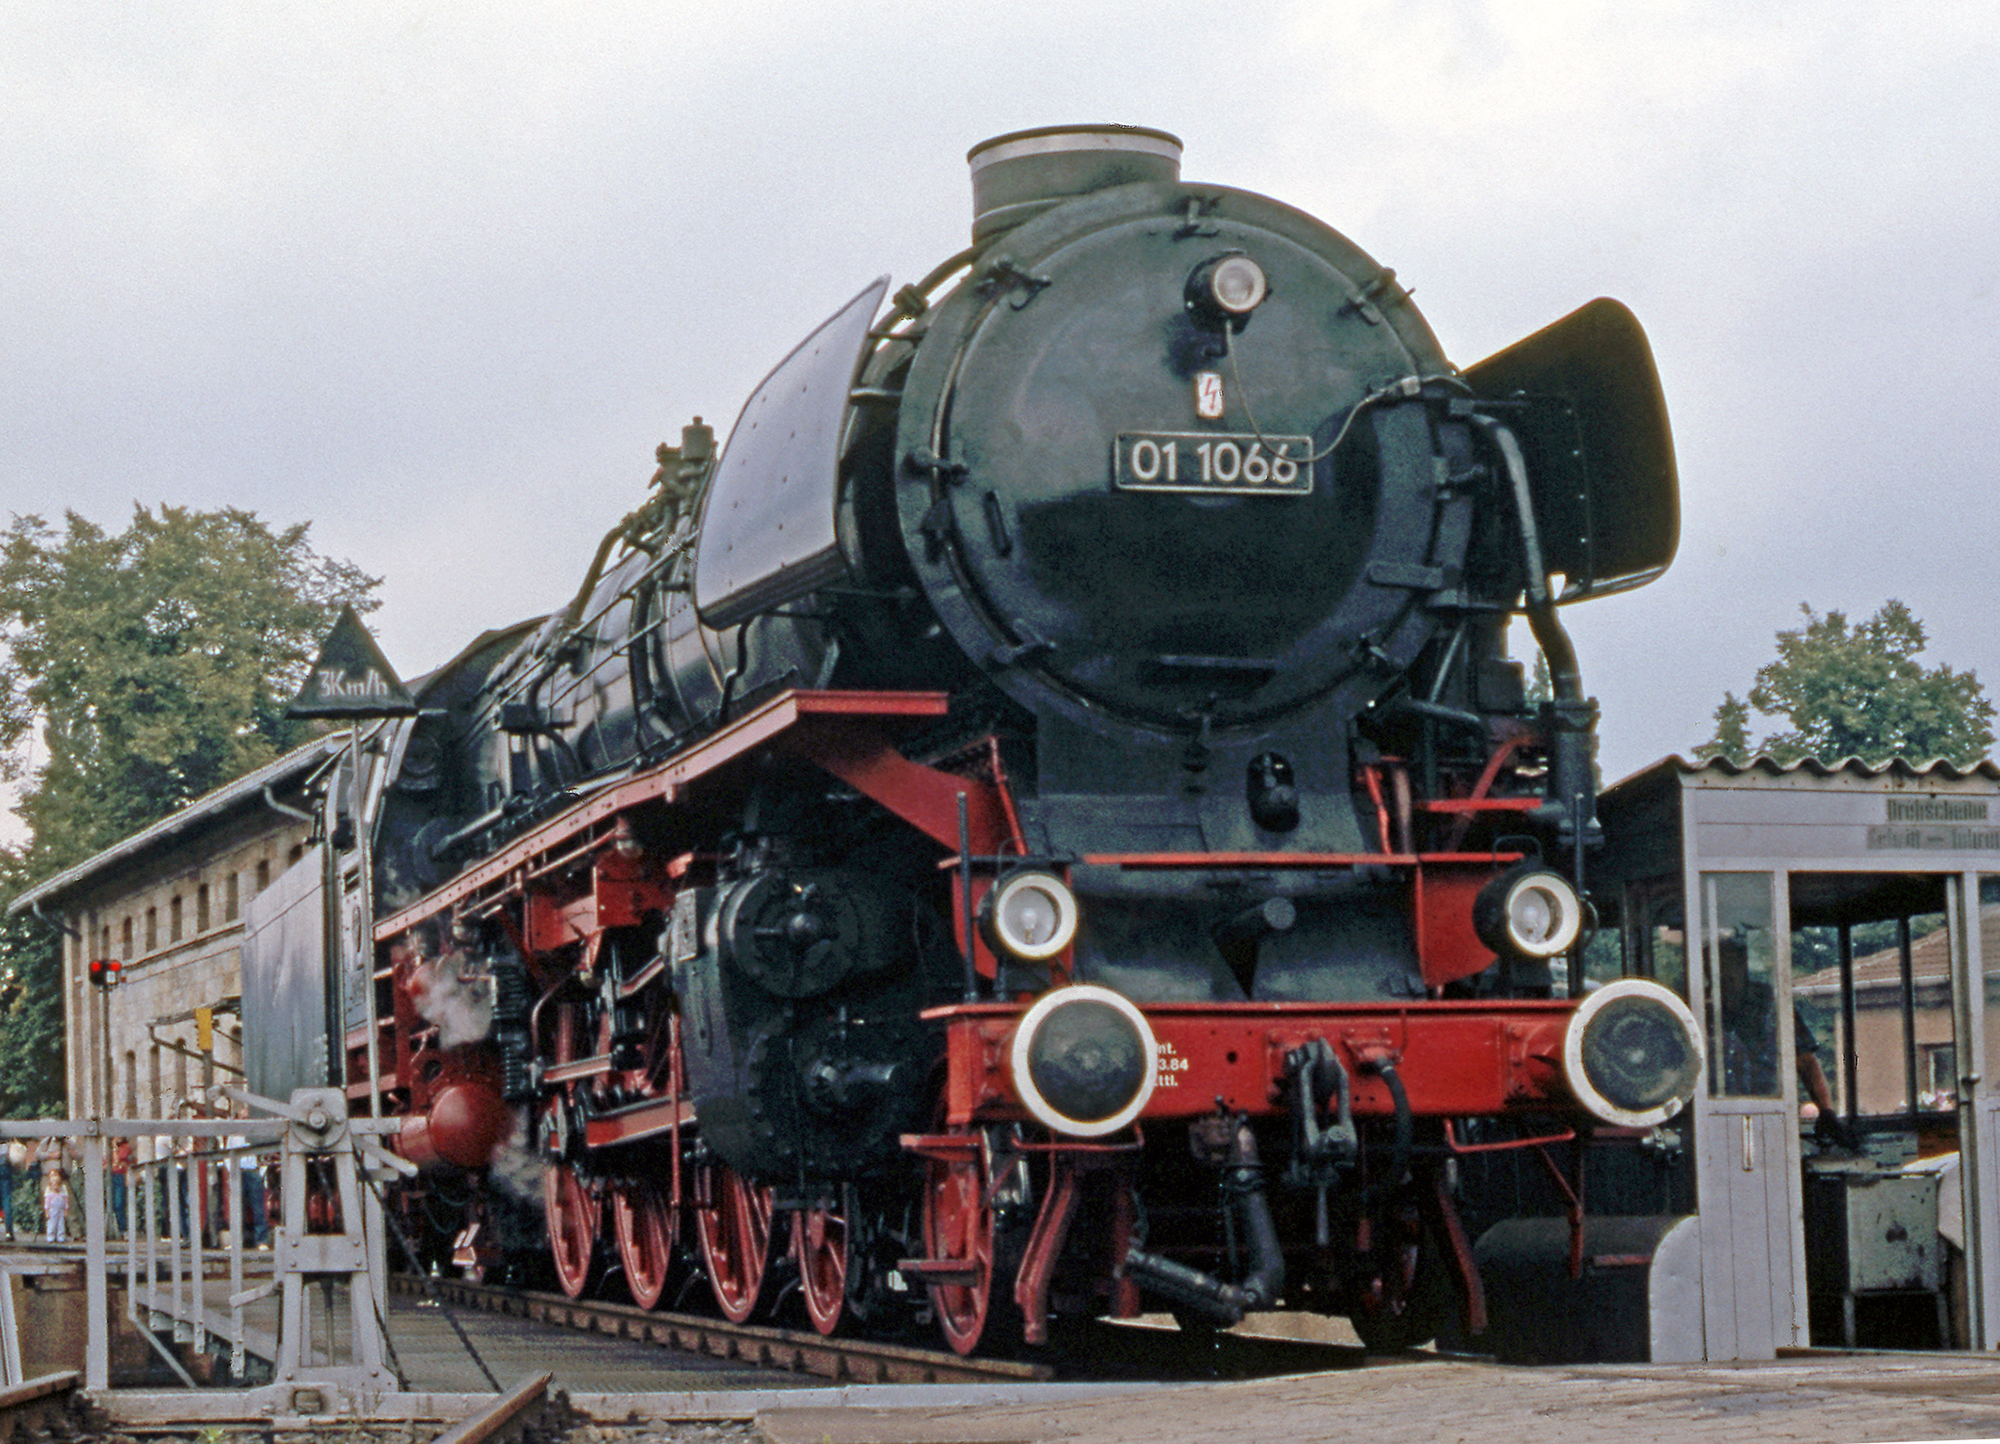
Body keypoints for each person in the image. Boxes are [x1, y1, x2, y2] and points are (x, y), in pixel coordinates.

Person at [1717, 935, 1860, 1150]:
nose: (1724, 978)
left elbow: (1805, 1060)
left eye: (1729, 971)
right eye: (1718, 973)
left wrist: (1826, 1111)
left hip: (1771, 1117)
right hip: (1718, 1120)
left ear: (1743, 966)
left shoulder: (1771, 1006)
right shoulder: (1703, 1008)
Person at [42, 1165, 67, 1244]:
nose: (56, 1187)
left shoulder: (63, 1190)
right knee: (52, 1224)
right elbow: (47, 1203)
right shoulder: (49, 1191)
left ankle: (61, 1237)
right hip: (52, 1210)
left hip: (61, 1210)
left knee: (61, 1224)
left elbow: (66, 1200)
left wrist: (66, 1210)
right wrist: (47, 1211)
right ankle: (50, 1237)